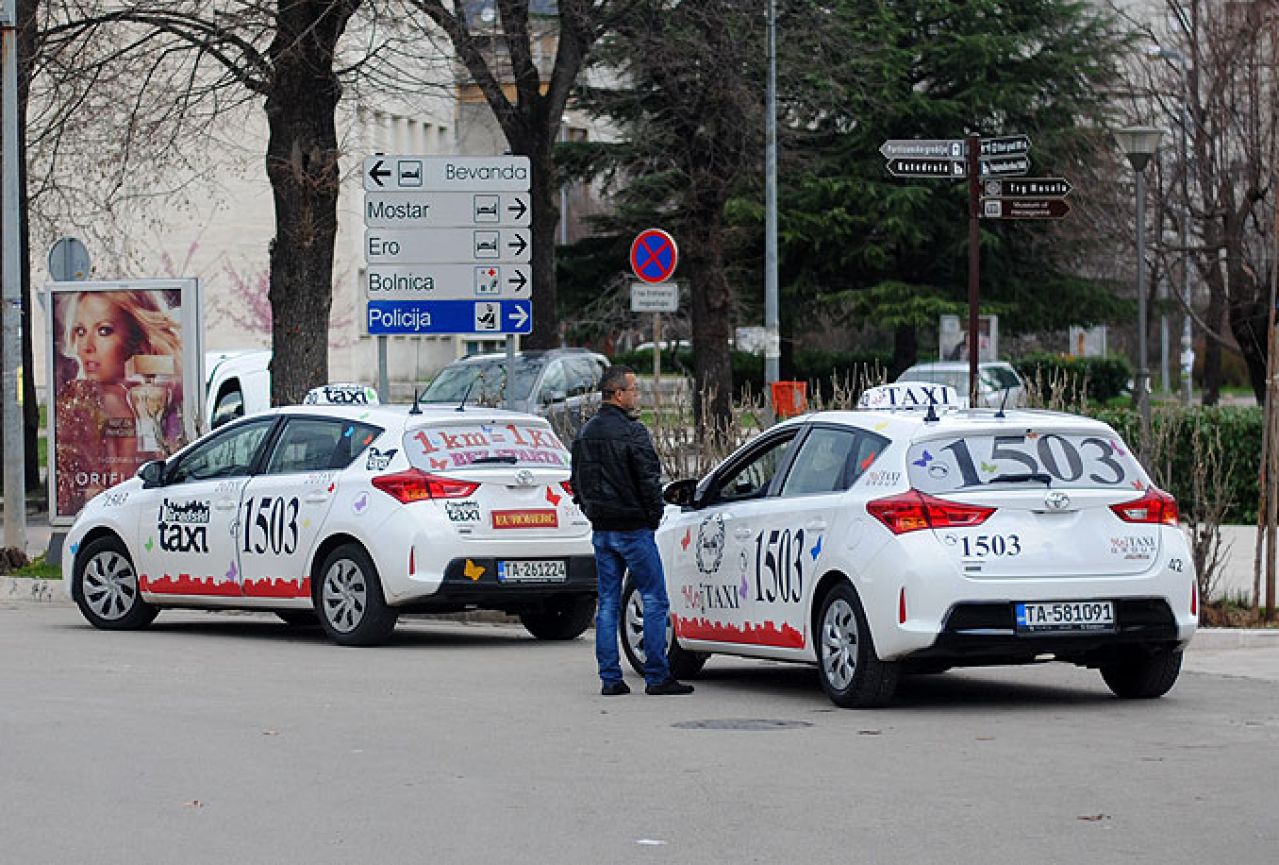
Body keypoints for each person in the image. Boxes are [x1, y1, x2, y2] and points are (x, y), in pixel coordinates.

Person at [570, 365, 693, 697]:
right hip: (633, 528)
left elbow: (576, 481)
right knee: (654, 598)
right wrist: (653, 518)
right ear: (618, 393)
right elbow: (649, 479)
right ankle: (657, 675)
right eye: (634, 390)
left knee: (608, 602)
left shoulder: (585, 433)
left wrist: (590, 508)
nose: (637, 395)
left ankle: (610, 678)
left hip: (602, 529)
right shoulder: (632, 432)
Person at [54, 289, 185, 516]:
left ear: (135, 341)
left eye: (104, 331)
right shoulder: (78, 404)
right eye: (81, 331)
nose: (87, 346)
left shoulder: (153, 400)